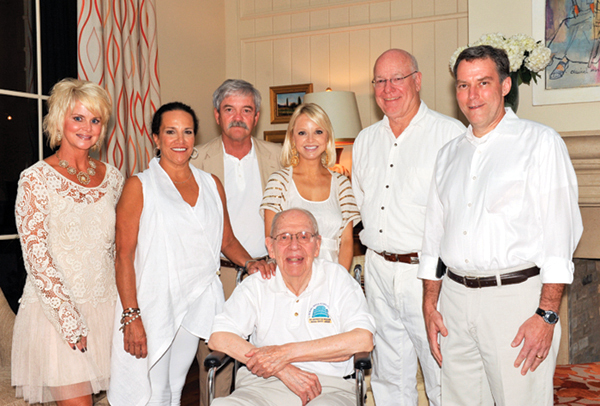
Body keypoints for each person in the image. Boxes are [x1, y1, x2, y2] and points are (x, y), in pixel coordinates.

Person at [418, 45, 583, 406]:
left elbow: (560, 236)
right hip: (455, 301)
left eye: (483, 83)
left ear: (505, 85)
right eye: (462, 85)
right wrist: (430, 306)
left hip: (516, 301)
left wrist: (547, 314)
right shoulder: (449, 154)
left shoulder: (540, 143)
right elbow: (433, 237)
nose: (471, 95)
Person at [107, 102, 272, 406]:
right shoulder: (139, 186)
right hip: (152, 301)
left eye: (187, 132)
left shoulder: (211, 184)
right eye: (170, 132)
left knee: (175, 385)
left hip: (194, 298)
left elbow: (226, 239)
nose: (180, 140)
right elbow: (124, 255)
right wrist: (131, 315)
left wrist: (251, 263)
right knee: (152, 390)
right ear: (155, 138)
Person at [351, 49, 466, 405]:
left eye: (397, 78)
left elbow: (459, 214)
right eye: (380, 81)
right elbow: (361, 205)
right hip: (378, 270)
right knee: (388, 374)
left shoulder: (450, 134)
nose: (388, 89)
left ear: (417, 80)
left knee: (441, 372)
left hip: (429, 275)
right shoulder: (365, 140)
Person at [12, 78, 124, 405]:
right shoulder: (35, 179)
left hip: (107, 309)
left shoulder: (114, 178)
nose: (87, 127)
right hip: (56, 315)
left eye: (95, 119)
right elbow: (36, 258)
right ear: (60, 119)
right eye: (78, 117)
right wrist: (69, 321)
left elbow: (119, 248)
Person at [208, 208, 375, 406]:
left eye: (304, 236)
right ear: (271, 247)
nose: (294, 245)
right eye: (284, 237)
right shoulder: (257, 285)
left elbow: (363, 339)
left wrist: (284, 353)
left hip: (330, 389)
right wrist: (282, 369)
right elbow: (219, 337)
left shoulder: (338, 280)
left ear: (317, 245)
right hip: (261, 387)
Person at [191, 79, 281, 299]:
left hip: (271, 275)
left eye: (246, 110)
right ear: (217, 115)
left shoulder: (280, 157)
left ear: (256, 117)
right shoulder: (194, 161)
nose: (238, 118)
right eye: (229, 110)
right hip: (217, 277)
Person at [260, 103, 360, 271]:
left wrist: (338, 282)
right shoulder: (279, 182)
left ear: (327, 136)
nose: (311, 140)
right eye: (302, 133)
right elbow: (273, 241)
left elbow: (347, 243)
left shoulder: (342, 184)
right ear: (292, 138)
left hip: (333, 277)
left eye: (318, 132)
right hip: (291, 277)